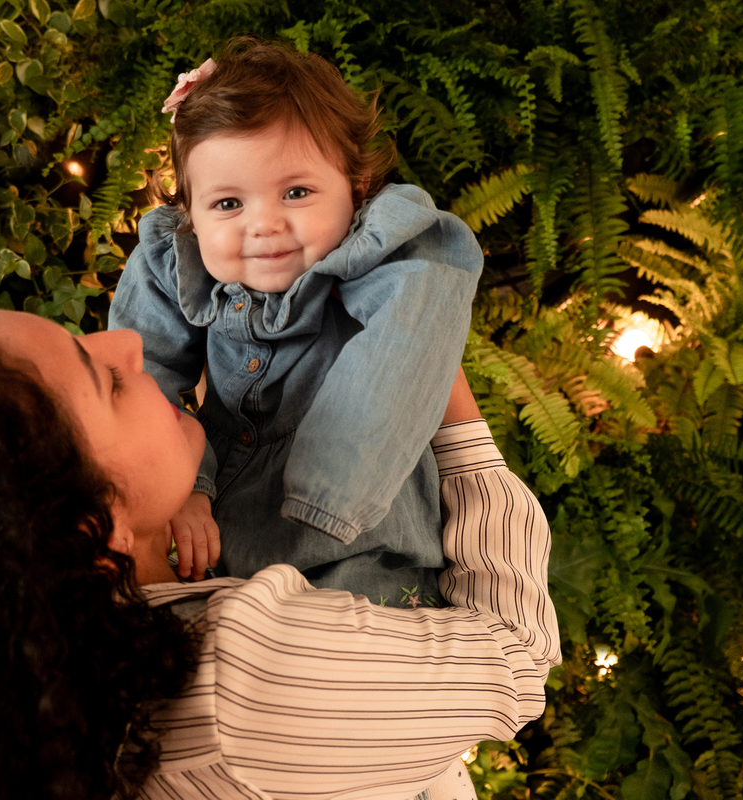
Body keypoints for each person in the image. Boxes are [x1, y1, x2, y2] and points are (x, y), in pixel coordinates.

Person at [0, 309, 559, 800]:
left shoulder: (46, 701)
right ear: (90, 529)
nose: (131, 342)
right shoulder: (244, 685)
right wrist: (455, 418)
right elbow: (517, 662)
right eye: (107, 378)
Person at [108, 39, 484, 607]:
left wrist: (331, 495)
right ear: (189, 210)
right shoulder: (174, 257)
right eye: (228, 204)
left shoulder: (392, 252)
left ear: (356, 190)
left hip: (359, 539)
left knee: (355, 672)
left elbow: (406, 344)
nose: (264, 225)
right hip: (217, 532)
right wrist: (181, 488)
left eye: (297, 192)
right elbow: (138, 371)